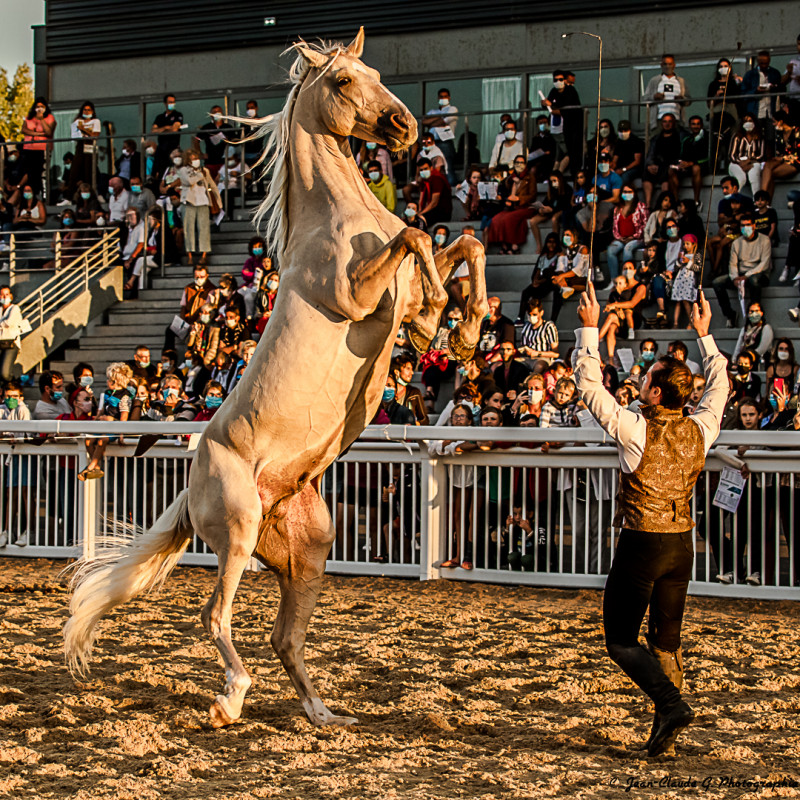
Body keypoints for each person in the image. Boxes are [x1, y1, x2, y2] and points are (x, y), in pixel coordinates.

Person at [573, 283, 726, 757]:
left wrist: (588, 328)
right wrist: (706, 337)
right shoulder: (702, 427)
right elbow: (718, 388)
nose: (639, 383)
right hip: (683, 548)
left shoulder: (636, 429)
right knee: (665, 643)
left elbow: (588, 386)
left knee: (620, 639)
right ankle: (666, 730)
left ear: (656, 392)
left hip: (643, 545)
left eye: (646, 380)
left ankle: (671, 705)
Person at [712, 213, 771, 327]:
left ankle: (754, 315)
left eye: (748, 225)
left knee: (754, 281)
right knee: (717, 282)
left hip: (758, 274)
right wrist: (734, 277)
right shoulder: (736, 242)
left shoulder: (765, 240)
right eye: (742, 225)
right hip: (740, 274)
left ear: (754, 226)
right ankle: (730, 314)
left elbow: (764, 263)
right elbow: (732, 263)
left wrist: (747, 275)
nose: (745, 228)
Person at [0, 381, 32, 548]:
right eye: (8, 396)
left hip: (23, 455)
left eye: (14, 396)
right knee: (9, 494)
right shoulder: (1, 409)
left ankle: (26, 531)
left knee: (25, 493)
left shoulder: (23, 409)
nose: (11, 399)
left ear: (20, 397)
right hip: (8, 457)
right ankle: (6, 531)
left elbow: (25, 433)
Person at [485, 156, 536, 255]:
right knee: (496, 219)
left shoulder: (530, 177)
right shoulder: (510, 178)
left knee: (509, 219)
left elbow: (532, 195)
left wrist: (519, 199)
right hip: (511, 207)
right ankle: (504, 245)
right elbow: (505, 191)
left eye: (521, 162)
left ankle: (514, 245)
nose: (519, 165)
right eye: (517, 162)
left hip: (525, 206)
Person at [543, 69, 583, 179]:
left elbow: (568, 109)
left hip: (571, 129)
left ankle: (558, 174)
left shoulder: (571, 91)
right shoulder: (553, 91)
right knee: (558, 154)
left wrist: (553, 106)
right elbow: (549, 107)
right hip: (557, 129)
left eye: (560, 79)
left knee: (569, 152)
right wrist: (545, 104)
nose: (558, 82)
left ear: (564, 80)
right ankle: (554, 175)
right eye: (555, 80)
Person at [179, 149, 214, 265]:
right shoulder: (183, 170)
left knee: (204, 229)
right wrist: (199, 175)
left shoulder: (204, 170)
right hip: (189, 202)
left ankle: (204, 254)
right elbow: (189, 181)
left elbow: (211, 184)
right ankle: (189, 255)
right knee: (188, 229)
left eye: (196, 158)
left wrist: (218, 202)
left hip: (203, 201)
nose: (196, 161)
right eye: (193, 159)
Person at [707, 58, 742, 168]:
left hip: (731, 110)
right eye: (721, 67)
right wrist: (717, 95)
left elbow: (738, 98)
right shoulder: (713, 84)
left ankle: (731, 162)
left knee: (731, 136)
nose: (723, 69)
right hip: (717, 110)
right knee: (716, 137)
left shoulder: (733, 82)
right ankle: (715, 163)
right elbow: (709, 103)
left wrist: (738, 82)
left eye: (726, 66)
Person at [607, 186, 648, 279]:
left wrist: (634, 236)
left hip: (637, 238)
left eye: (629, 191)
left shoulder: (640, 206)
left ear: (634, 193)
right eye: (625, 192)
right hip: (621, 239)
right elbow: (614, 227)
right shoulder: (617, 208)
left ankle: (627, 278)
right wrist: (619, 238)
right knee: (611, 250)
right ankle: (614, 279)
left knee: (627, 248)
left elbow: (645, 224)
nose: (627, 194)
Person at [642, 114, 682, 210]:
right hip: (657, 164)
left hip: (672, 165)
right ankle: (648, 205)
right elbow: (650, 154)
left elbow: (681, 155)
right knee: (646, 172)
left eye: (669, 121)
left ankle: (665, 202)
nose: (667, 124)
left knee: (666, 171)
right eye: (664, 121)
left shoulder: (679, 136)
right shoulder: (656, 138)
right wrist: (650, 165)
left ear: (674, 123)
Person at [518, 233, 560, 317]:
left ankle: (552, 319)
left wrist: (540, 281)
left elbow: (553, 274)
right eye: (549, 242)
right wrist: (535, 281)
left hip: (550, 282)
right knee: (526, 292)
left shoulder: (559, 257)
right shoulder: (543, 257)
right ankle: (520, 317)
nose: (551, 244)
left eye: (554, 242)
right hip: (540, 281)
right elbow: (538, 270)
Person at [20, 97, 56, 196]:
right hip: (29, 148)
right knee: (31, 173)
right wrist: (39, 134)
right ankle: (33, 193)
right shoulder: (29, 117)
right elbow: (24, 130)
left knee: (42, 173)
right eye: (37, 106)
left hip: (43, 148)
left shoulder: (49, 118)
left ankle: (44, 195)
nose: (39, 108)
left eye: (42, 106)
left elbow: (48, 132)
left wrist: (41, 120)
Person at [528, 170, 571, 253]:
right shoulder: (551, 190)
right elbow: (545, 202)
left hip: (561, 210)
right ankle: (539, 246)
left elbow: (566, 205)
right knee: (532, 221)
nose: (553, 183)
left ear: (560, 180)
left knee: (554, 219)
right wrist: (541, 209)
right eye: (551, 181)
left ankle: (556, 245)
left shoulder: (567, 189)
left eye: (554, 181)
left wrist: (552, 210)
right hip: (549, 211)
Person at [421, 87, 458, 180]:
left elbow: (443, 122)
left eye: (445, 96)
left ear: (449, 97)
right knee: (432, 164)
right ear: (438, 98)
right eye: (441, 97)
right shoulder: (433, 111)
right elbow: (424, 122)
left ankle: (451, 186)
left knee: (448, 166)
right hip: (432, 142)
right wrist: (440, 117)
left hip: (445, 141)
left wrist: (432, 123)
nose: (443, 99)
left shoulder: (453, 109)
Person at [760, 111, 800, 199]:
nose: (773, 124)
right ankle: (761, 196)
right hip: (782, 160)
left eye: (774, 121)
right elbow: (779, 151)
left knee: (770, 174)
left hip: (795, 161)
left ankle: (762, 199)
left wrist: (783, 158)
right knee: (767, 165)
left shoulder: (797, 131)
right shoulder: (779, 133)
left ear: (781, 121)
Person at [670, 116, 708, 205]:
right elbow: (682, 155)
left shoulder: (707, 137)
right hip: (687, 166)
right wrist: (681, 164)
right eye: (693, 124)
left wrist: (692, 163)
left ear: (702, 125)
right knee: (671, 169)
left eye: (698, 124)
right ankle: (675, 202)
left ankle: (696, 201)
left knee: (696, 168)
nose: (696, 126)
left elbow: (708, 157)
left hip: (702, 165)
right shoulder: (687, 139)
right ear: (689, 126)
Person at [642, 55, 691, 124]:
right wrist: (654, 97)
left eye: (670, 64)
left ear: (674, 65)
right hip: (659, 120)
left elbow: (688, 101)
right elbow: (644, 100)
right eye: (665, 64)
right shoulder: (654, 80)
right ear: (661, 65)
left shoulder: (681, 81)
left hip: (676, 119)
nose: (667, 67)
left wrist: (681, 99)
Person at [66, 101, 101, 196]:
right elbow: (74, 135)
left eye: (89, 110)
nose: (86, 112)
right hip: (80, 145)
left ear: (92, 111)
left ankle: (92, 194)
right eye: (85, 110)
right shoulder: (78, 121)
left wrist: (84, 129)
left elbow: (95, 135)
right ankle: (69, 196)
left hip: (90, 146)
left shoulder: (96, 121)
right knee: (74, 171)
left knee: (88, 171)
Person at [728, 114, 766, 197]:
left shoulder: (760, 137)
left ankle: (756, 201)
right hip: (736, 163)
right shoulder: (737, 136)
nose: (748, 123)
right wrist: (741, 163)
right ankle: (732, 199)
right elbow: (731, 155)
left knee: (754, 176)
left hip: (753, 162)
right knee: (741, 178)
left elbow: (761, 155)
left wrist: (749, 161)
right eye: (745, 121)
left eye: (750, 121)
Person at [741, 51, 782, 127]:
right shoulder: (750, 74)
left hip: (771, 111)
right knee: (757, 135)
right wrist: (756, 91)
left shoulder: (774, 73)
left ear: (769, 61)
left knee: (770, 136)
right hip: (755, 111)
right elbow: (743, 95)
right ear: (757, 62)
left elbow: (781, 89)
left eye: (766, 63)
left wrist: (774, 87)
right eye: (761, 63)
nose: (764, 66)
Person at [194, 105, 235, 180]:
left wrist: (228, 141)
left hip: (225, 161)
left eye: (218, 112)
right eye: (214, 112)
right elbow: (196, 139)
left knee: (224, 182)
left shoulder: (228, 127)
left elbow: (235, 141)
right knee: (211, 182)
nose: (217, 114)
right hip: (210, 161)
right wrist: (200, 153)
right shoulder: (207, 127)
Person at [670, 234, 701, 329]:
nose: (685, 246)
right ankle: (675, 323)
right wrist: (679, 261)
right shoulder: (682, 254)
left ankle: (691, 321)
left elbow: (698, 268)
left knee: (686, 301)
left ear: (693, 244)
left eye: (688, 244)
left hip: (690, 280)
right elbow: (676, 268)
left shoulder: (696, 255)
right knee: (678, 301)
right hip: (680, 280)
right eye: (684, 244)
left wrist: (689, 262)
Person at [151, 94, 184, 179]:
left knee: (172, 170)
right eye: (170, 102)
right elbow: (153, 130)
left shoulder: (178, 115)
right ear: (165, 103)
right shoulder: (159, 117)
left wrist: (161, 129)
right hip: (161, 148)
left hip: (173, 147)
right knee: (158, 170)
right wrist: (166, 127)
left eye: (173, 102)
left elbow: (175, 129)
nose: (172, 104)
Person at [518, 298, 559, 362]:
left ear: (541, 313)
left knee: (539, 366)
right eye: (529, 314)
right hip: (527, 359)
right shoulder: (526, 327)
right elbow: (523, 347)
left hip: (543, 359)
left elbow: (556, 354)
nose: (531, 317)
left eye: (534, 314)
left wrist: (537, 353)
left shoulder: (548, 327)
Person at [415, 158, 451, 225]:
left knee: (421, 220)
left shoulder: (437, 179)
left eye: (425, 169)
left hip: (441, 212)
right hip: (430, 210)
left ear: (431, 168)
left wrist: (421, 213)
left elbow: (434, 202)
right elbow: (421, 199)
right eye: (421, 170)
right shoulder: (424, 180)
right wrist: (419, 212)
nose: (423, 171)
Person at [0, 285, 24, 381]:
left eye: (7, 294)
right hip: (1, 343)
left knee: (5, 373)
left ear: (11, 296)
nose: (5, 297)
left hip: (11, 343)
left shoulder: (15, 309)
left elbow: (9, 323)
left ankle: (14, 383)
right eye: (2, 295)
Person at [613, 120, 645, 185]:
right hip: (620, 168)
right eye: (621, 131)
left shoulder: (636, 142)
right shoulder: (618, 142)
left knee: (625, 177)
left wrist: (623, 169)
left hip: (633, 168)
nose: (623, 133)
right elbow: (615, 159)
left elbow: (637, 161)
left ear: (629, 130)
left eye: (625, 130)